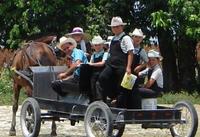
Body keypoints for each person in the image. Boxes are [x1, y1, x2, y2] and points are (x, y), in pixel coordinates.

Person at [98, 16, 134, 108]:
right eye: (113, 27)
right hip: (111, 65)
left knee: (121, 88)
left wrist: (128, 67)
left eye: (117, 26)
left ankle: (120, 106)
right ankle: (110, 98)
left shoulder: (126, 38)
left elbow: (130, 52)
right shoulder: (113, 39)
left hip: (121, 66)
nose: (115, 28)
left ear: (122, 27)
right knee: (102, 78)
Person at [88, 36, 109, 101]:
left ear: (102, 45)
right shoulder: (93, 55)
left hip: (102, 73)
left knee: (100, 87)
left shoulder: (105, 54)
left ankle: (102, 101)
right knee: (92, 87)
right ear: (93, 46)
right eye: (96, 45)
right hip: (94, 74)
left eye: (99, 45)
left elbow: (102, 63)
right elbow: (90, 63)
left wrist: (92, 64)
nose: (97, 46)